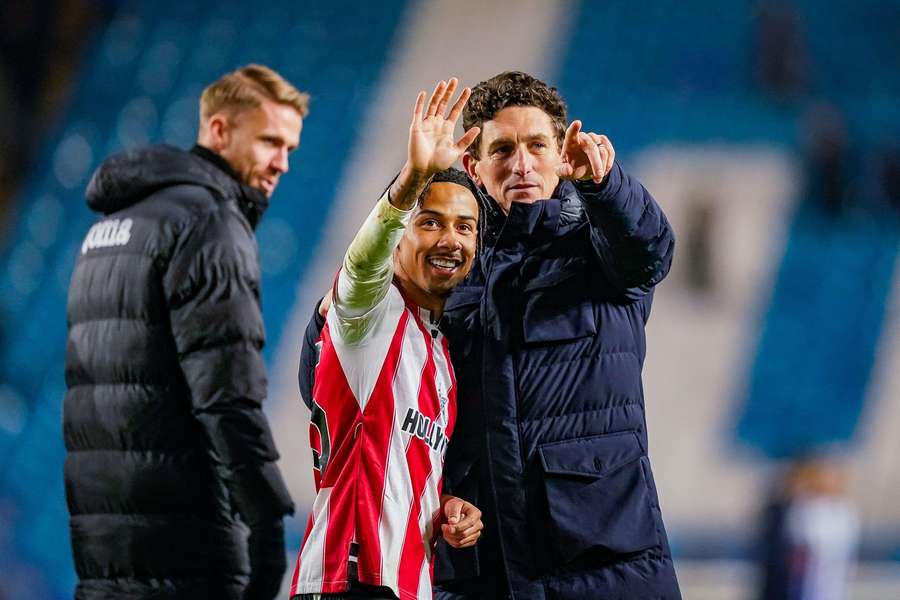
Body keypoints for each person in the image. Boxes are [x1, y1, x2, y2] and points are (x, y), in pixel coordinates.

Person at [431, 71, 681, 599]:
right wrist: (445, 494)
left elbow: (651, 250)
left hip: (603, 565)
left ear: (560, 154)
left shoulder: (600, 244)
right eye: (502, 149)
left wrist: (605, 187)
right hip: (482, 566)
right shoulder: (446, 269)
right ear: (473, 166)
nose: (521, 164)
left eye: (536, 145)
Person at [64, 64, 305, 600]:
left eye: (290, 148)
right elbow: (227, 394)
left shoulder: (106, 229)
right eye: (270, 142)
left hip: (103, 550)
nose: (281, 164)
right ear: (218, 130)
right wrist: (266, 523)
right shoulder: (210, 222)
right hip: (187, 549)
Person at [290, 79, 484, 600]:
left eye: (466, 228)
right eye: (431, 222)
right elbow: (361, 265)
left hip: (405, 584)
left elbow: (394, 467)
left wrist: (445, 509)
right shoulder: (369, 314)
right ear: (400, 235)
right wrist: (410, 179)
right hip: (350, 578)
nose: (451, 240)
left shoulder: (439, 351)